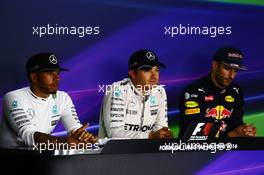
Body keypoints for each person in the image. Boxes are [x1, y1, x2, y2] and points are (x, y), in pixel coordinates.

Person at [0, 53, 97, 148]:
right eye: (50, 73)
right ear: (34, 77)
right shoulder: (13, 97)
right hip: (11, 158)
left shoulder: (63, 97)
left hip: (43, 155)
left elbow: (75, 128)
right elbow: (29, 135)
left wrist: (83, 136)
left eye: (57, 73)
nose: (57, 78)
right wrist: (65, 143)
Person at [178, 46, 256, 138]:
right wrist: (230, 135)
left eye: (235, 70)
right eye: (227, 68)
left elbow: (236, 124)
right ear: (215, 65)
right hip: (193, 151)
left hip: (227, 150)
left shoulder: (236, 91)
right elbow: (194, 133)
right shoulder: (193, 92)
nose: (232, 76)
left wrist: (244, 131)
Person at [99, 49, 173, 139]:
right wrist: (150, 136)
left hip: (148, 151)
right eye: (147, 70)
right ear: (133, 74)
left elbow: (160, 128)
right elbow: (114, 133)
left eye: (156, 70)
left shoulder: (159, 91)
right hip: (116, 151)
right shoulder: (118, 90)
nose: (154, 75)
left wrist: (163, 135)